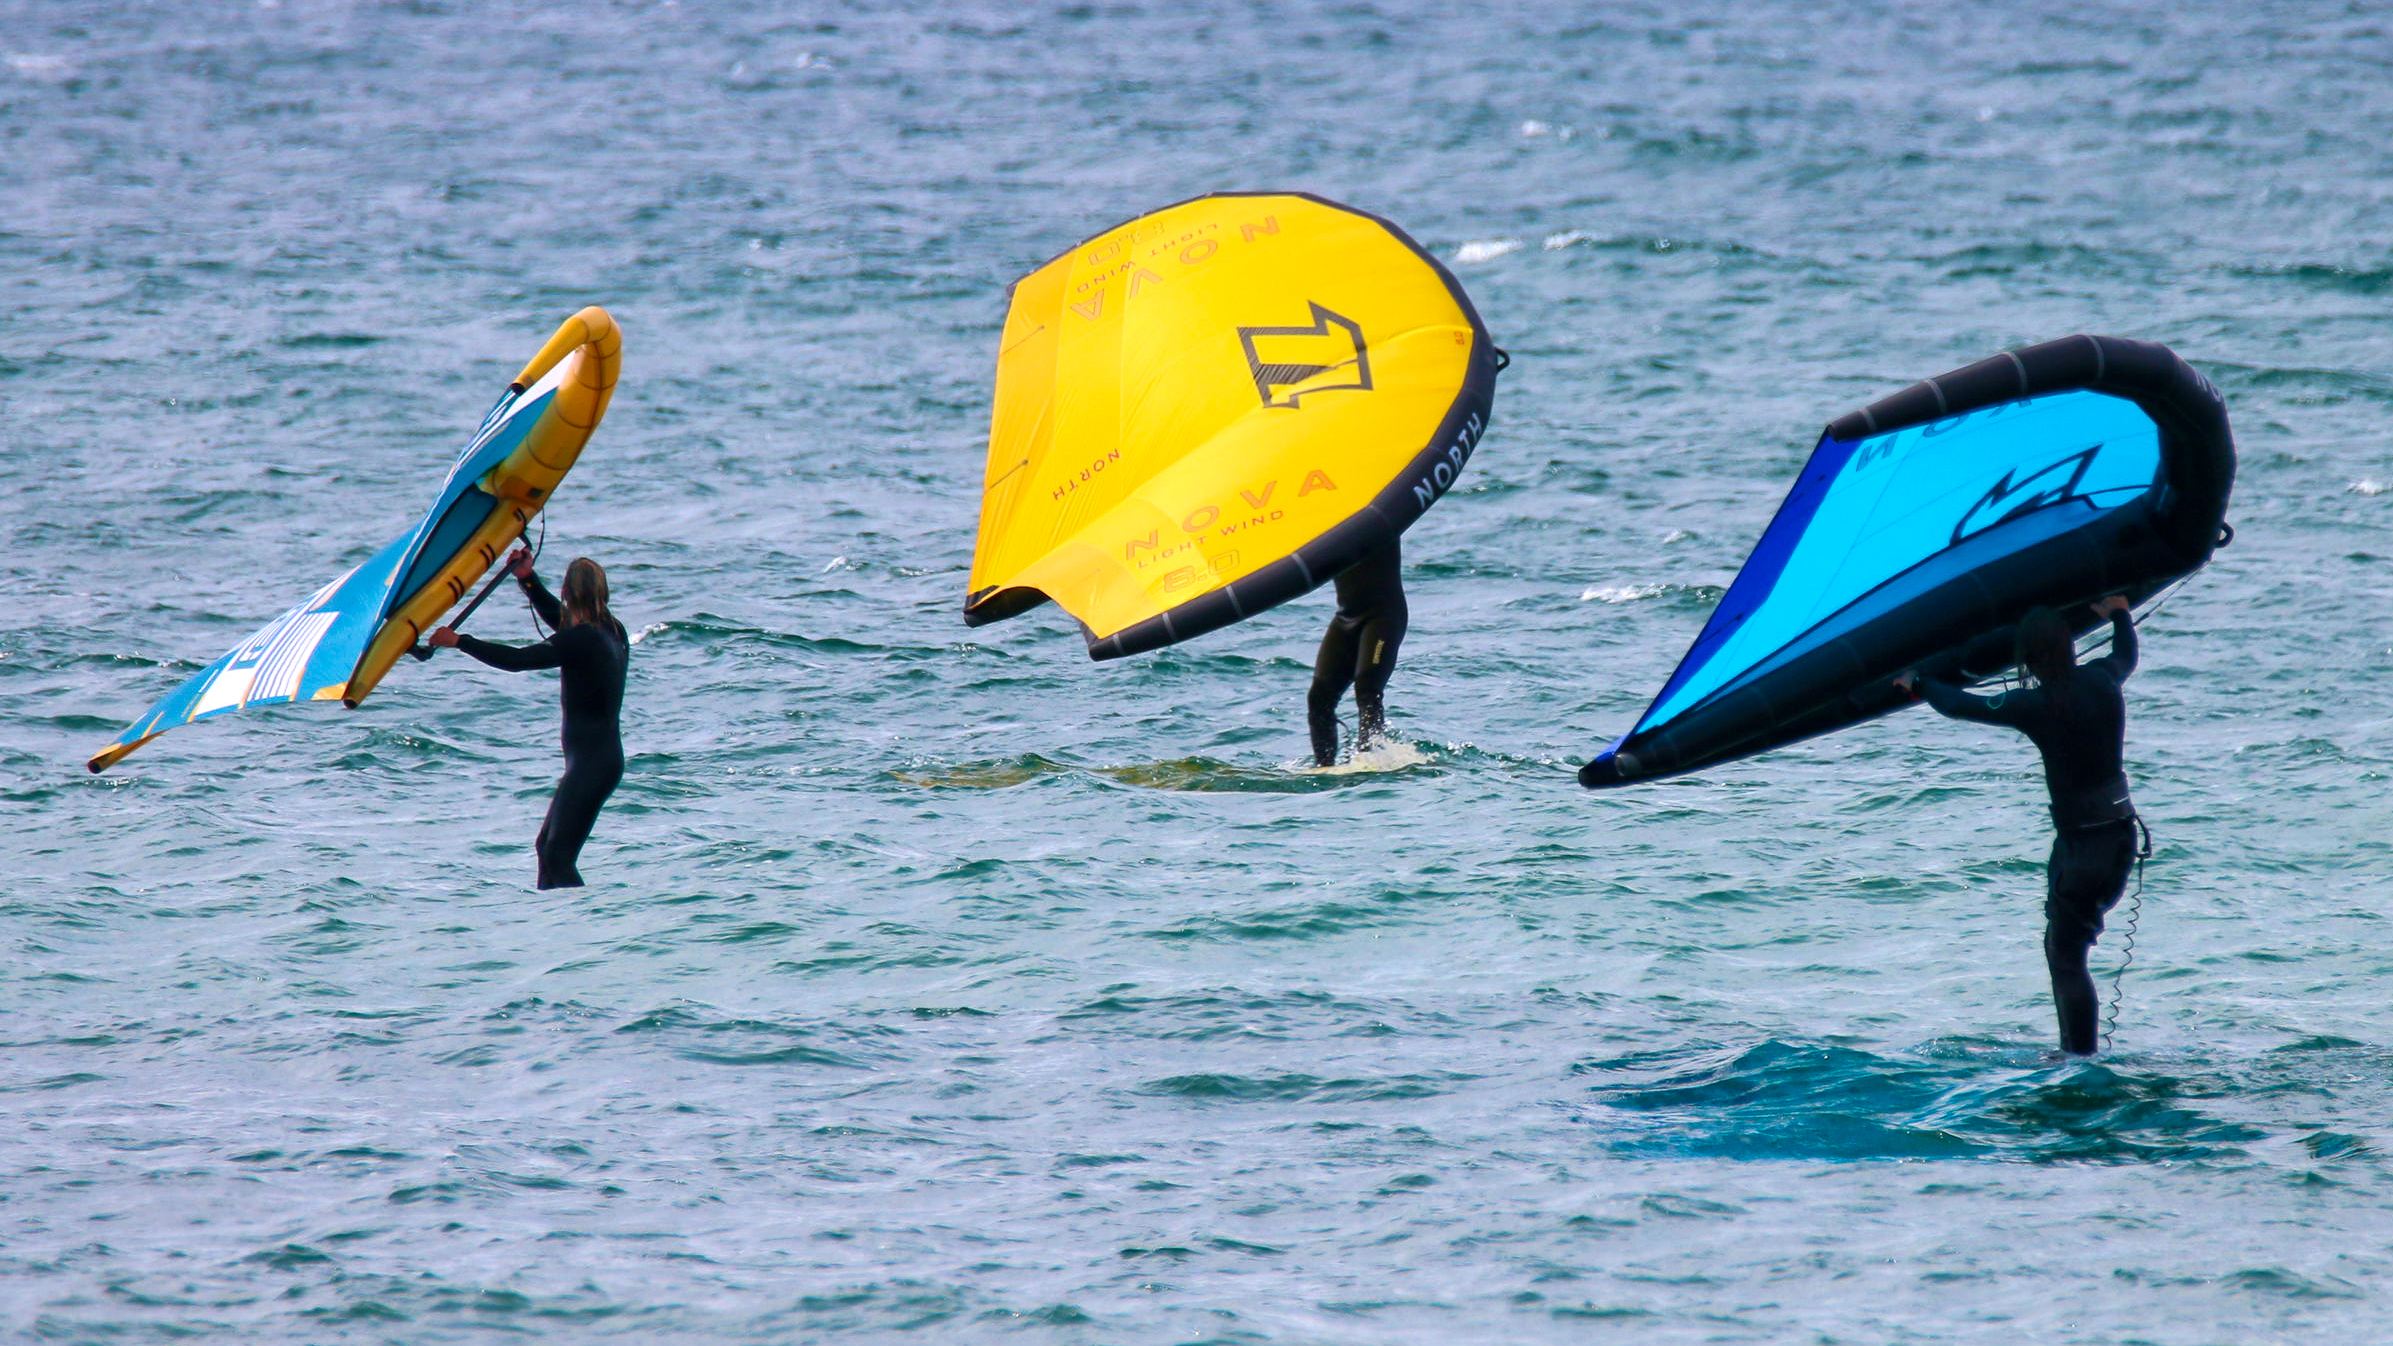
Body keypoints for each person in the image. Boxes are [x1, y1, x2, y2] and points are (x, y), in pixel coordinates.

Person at [1894, 595, 2144, 1056]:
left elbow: (1961, 705)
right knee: (2066, 952)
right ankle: (2075, 1054)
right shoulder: (2103, 678)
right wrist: (2121, 614)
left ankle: (2078, 1060)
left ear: (2027, 659)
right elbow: (2126, 655)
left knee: (2065, 957)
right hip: (2120, 838)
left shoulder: (2037, 704)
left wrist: (1919, 683)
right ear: (2071, 650)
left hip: (2083, 848)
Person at [429, 548, 628, 889]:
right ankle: (558, 925)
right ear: (603, 593)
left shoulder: (583, 639)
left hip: (592, 764)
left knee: (557, 856)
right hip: (600, 760)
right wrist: (528, 581)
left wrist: (461, 641)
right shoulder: (611, 631)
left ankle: (584, 928)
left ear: (566, 592)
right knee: (546, 849)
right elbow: (562, 621)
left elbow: (518, 660)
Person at [1308, 537, 1407, 767]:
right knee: (1319, 698)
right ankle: (1324, 768)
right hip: (1347, 617)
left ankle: (1369, 763)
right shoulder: (1322, 515)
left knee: (1367, 690)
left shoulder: (1376, 510)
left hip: (1383, 617)